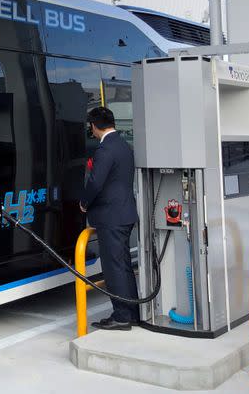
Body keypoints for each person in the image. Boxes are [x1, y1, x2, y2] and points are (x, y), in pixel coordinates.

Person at [81, 106, 139, 330]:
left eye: (91, 127)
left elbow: (95, 182)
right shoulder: (124, 145)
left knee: (114, 268)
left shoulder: (104, 150)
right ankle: (131, 312)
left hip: (111, 217)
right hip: (124, 213)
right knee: (123, 266)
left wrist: (84, 203)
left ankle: (121, 316)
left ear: (95, 126)